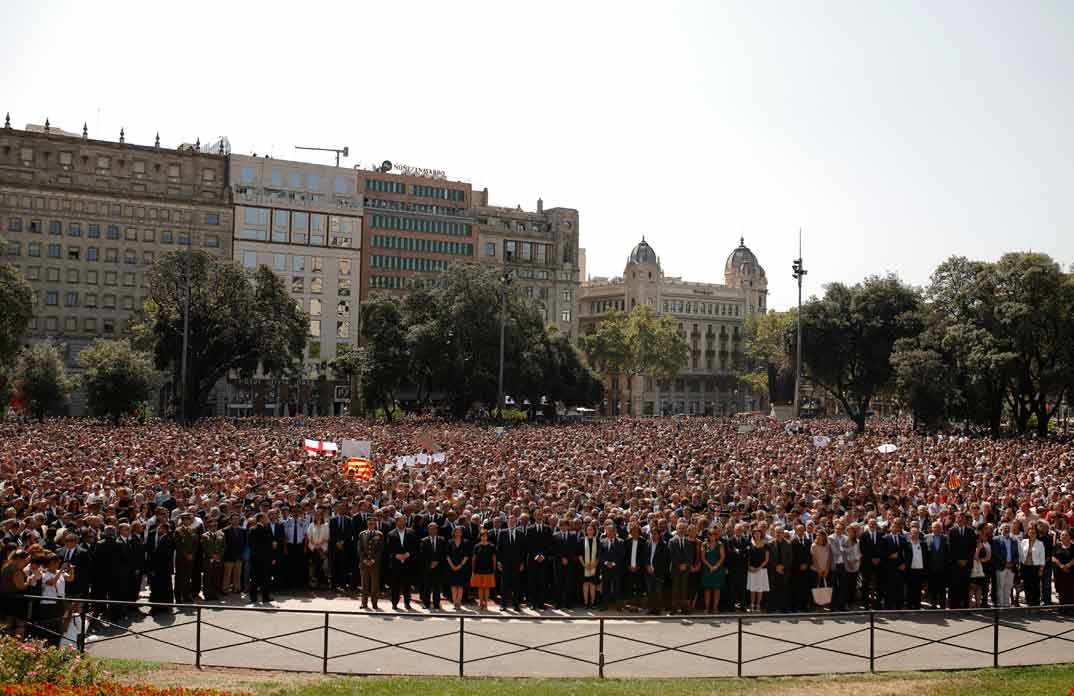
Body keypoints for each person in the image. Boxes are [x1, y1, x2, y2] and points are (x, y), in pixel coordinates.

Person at [386, 513, 416, 610]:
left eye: (404, 521)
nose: (402, 523)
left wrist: (408, 554)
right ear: (396, 522)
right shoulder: (391, 534)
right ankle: (394, 603)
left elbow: (414, 546)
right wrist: (396, 555)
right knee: (395, 585)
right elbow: (388, 548)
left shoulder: (411, 532)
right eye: (400, 521)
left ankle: (407, 603)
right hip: (396, 562)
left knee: (407, 584)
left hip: (408, 562)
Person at [496, 517, 526, 611]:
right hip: (505, 563)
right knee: (504, 584)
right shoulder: (502, 533)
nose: (512, 523)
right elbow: (498, 548)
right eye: (510, 522)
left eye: (513, 522)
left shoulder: (520, 534)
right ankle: (503, 604)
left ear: (516, 523)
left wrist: (522, 563)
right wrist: (499, 562)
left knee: (516, 585)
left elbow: (523, 550)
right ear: (507, 523)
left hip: (517, 563)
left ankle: (516, 605)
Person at [357, 516, 385, 610]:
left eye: (373, 523)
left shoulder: (379, 534)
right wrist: (364, 559)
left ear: (375, 524)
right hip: (364, 563)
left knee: (375, 585)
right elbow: (360, 548)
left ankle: (374, 603)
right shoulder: (362, 534)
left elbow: (380, 549)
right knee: (364, 584)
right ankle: (364, 603)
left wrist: (373, 560)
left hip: (374, 563)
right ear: (367, 524)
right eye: (369, 523)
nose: (371, 525)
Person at [247, 513, 275, 604]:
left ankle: (253, 597)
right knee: (265, 578)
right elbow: (269, 545)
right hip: (264, 558)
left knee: (254, 578)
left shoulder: (252, 529)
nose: (267, 519)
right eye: (265, 518)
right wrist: (271, 557)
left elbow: (251, 545)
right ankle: (265, 597)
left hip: (255, 558)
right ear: (261, 519)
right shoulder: (266, 529)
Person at [669, 521, 696, 614]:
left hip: (686, 569)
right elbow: (671, 555)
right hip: (675, 568)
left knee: (684, 589)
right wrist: (679, 565)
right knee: (675, 589)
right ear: (676, 529)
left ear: (686, 530)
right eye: (679, 528)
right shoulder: (672, 541)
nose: (681, 530)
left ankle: (684, 608)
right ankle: (674, 608)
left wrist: (685, 565)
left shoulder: (689, 541)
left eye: (683, 528)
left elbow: (690, 555)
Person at [991, 523, 1020, 608]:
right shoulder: (996, 539)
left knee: (1009, 585)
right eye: (1004, 528)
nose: (1006, 529)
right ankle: (1000, 603)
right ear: (1001, 530)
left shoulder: (1014, 540)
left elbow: (1016, 554)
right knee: (1000, 585)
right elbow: (996, 553)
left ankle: (1006, 603)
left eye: (1008, 528)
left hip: (1011, 567)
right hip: (1001, 566)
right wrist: (1005, 563)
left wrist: (1013, 563)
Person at [597, 522, 624, 610]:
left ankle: (618, 606)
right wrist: (606, 563)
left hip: (616, 568)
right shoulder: (602, 542)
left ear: (615, 532)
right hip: (605, 569)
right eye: (608, 531)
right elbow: (600, 555)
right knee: (605, 588)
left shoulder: (620, 542)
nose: (610, 532)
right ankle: (605, 605)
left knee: (617, 588)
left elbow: (621, 555)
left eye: (612, 531)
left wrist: (613, 563)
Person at [700, 526, 726, 613]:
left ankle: (715, 608)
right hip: (707, 570)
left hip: (718, 570)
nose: (712, 536)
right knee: (707, 589)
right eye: (710, 534)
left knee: (717, 589)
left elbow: (722, 557)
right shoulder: (704, 544)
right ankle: (707, 608)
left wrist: (715, 566)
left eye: (714, 534)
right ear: (708, 535)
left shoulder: (720, 544)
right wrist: (710, 567)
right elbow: (703, 558)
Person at [419, 522, 446, 609]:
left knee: (437, 587)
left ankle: (436, 603)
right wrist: (430, 563)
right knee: (426, 586)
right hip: (427, 567)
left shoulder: (442, 540)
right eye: (431, 529)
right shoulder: (424, 540)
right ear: (428, 530)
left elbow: (443, 553)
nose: (432, 530)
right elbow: (422, 554)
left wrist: (436, 562)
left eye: (434, 528)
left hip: (438, 567)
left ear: (437, 530)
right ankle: (426, 603)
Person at [767, 525, 793, 612]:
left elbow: (790, 558)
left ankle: (784, 608)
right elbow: (769, 558)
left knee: (784, 589)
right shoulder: (770, 544)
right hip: (773, 570)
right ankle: (772, 607)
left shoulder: (788, 543)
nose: (778, 534)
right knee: (773, 589)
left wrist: (783, 567)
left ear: (783, 534)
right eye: (777, 532)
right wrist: (776, 566)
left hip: (785, 571)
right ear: (774, 533)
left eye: (780, 532)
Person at [644, 524, 669, 615]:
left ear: (659, 535)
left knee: (658, 591)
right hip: (648, 571)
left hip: (659, 572)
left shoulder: (664, 545)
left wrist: (654, 568)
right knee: (650, 591)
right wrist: (647, 566)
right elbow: (645, 557)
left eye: (655, 534)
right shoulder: (647, 543)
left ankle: (657, 609)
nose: (653, 535)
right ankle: (651, 608)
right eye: (651, 533)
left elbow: (664, 560)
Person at [200, 516, 225, 601]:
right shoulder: (204, 536)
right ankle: (207, 594)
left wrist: (219, 555)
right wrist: (212, 555)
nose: (214, 527)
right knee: (208, 577)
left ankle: (214, 594)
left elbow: (223, 546)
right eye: (212, 525)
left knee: (216, 577)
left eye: (215, 525)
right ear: (208, 526)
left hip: (218, 559)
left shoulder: (221, 534)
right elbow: (204, 547)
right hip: (208, 559)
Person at [470, 529, 496, 611]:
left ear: (487, 537)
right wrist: (473, 570)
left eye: (485, 536)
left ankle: (486, 604)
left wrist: (494, 570)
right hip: (478, 569)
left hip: (489, 569)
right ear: (480, 537)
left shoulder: (491, 546)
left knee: (487, 587)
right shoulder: (476, 546)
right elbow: (474, 559)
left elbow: (494, 558)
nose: (484, 537)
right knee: (480, 588)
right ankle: (481, 603)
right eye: (482, 536)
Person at [1020, 525, 1046, 606]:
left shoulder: (1040, 543)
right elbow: (1020, 554)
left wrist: (1041, 569)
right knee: (1026, 585)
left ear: (1036, 534)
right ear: (1028, 533)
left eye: (1034, 533)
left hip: (1035, 567)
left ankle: (1035, 604)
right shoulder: (1023, 542)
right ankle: (1028, 603)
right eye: (1030, 532)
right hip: (1025, 567)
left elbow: (1042, 556)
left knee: (1035, 586)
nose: (1032, 534)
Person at [925, 521, 949, 609]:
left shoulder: (945, 538)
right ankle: (933, 604)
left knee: (942, 588)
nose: (936, 529)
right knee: (932, 587)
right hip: (931, 567)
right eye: (935, 527)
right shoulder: (926, 537)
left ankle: (942, 604)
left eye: (938, 527)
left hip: (942, 567)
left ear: (941, 529)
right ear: (932, 528)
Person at [446, 525, 470, 610]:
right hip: (451, 566)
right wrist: (452, 566)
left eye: (459, 531)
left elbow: (466, 556)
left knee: (460, 586)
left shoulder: (466, 542)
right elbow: (447, 555)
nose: (458, 533)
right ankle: (454, 602)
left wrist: (460, 565)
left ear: (462, 533)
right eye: (456, 531)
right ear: (454, 533)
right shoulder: (450, 542)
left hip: (462, 567)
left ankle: (459, 602)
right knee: (453, 586)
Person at [222, 513, 248, 595]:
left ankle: (237, 588)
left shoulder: (243, 530)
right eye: (234, 519)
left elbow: (245, 543)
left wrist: (243, 555)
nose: (236, 520)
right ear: (230, 520)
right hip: (228, 555)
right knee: (227, 574)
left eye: (237, 519)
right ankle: (225, 589)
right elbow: (223, 544)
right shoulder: (225, 530)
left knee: (238, 574)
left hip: (239, 556)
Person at [746, 527, 770, 612]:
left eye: (758, 533)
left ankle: (758, 605)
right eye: (755, 533)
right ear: (753, 535)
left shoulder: (766, 545)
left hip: (762, 570)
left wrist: (759, 568)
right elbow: (747, 557)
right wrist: (749, 567)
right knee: (753, 588)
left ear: (761, 534)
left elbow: (766, 559)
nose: (757, 535)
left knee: (760, 588)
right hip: (751, 569)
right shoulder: (749, 544)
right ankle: (752, 605)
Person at [306, 508, 330, 589]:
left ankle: (323, 583)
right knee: (314, 565)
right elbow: (309, 536)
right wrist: (315, 545)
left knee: (323, 566)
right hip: (313, 548)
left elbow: (327, 536)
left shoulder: (326, 525)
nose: (318, 517)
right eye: (316, 515)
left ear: (322, 516)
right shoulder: (311, 525)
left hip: (323, 548)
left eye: (319, 515)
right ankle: (314, 582)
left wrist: (320, 545)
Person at [970, 524, 992, 608]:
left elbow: (989, 555)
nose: (988, 530)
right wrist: (981, 558)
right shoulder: (975, 541)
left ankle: (981, 604)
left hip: (985, 567)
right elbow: (974, 555)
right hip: (975, 567)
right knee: (972, 587)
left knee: (982, 586)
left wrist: (984, 560)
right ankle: (970, 604)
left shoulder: (989, 540)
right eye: (986, 528)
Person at [578, 523, 600, 610]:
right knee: (585, 584)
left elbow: (599, 555)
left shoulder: (597, 540)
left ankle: (593, 602)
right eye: (588, 529)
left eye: (591, 529)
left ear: (594, 531)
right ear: (586, 531)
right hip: (584, 567)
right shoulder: (582, 540)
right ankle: (586, 602)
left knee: (593, 584)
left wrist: (595, 564)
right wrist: (584, 565)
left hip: (595, 566)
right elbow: (579, 554)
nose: (590, 531)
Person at [905, 525, 928, 609]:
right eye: (913, 533)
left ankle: (917, 604)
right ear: (910, 534)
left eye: (916, 533)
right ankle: (909, 605)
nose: (914, 534)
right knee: (910, 589)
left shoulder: (923, 544)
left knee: (918, 589)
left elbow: (926, 557)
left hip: (920, 570)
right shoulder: (907, 544)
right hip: (910, 570)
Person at [1051, 530, 1074, 611]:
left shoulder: (1073, 547)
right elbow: (1053, 557)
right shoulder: (1057, 546)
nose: (1063, 536)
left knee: (1070, 589)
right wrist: (1061, 566)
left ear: (1070, 537)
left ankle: (1070, 608)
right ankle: (1061, 607)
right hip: (1059, 572)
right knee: (1060, 589)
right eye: (1062, 535)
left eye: (1065, 535)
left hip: (1070, 572)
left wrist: (1068, 565)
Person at [810, 530, 832, 609]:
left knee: (824, 587)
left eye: (820, 535)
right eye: (817, 535)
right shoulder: (813, 545)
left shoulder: (828, 545)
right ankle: (815, 604)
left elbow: (829, 558)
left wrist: (826, 569)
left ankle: (824, 603)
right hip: (815, 570)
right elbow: (814, 559)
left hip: (826, 570)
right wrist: (819, 570)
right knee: (815, 587)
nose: (818, 536)